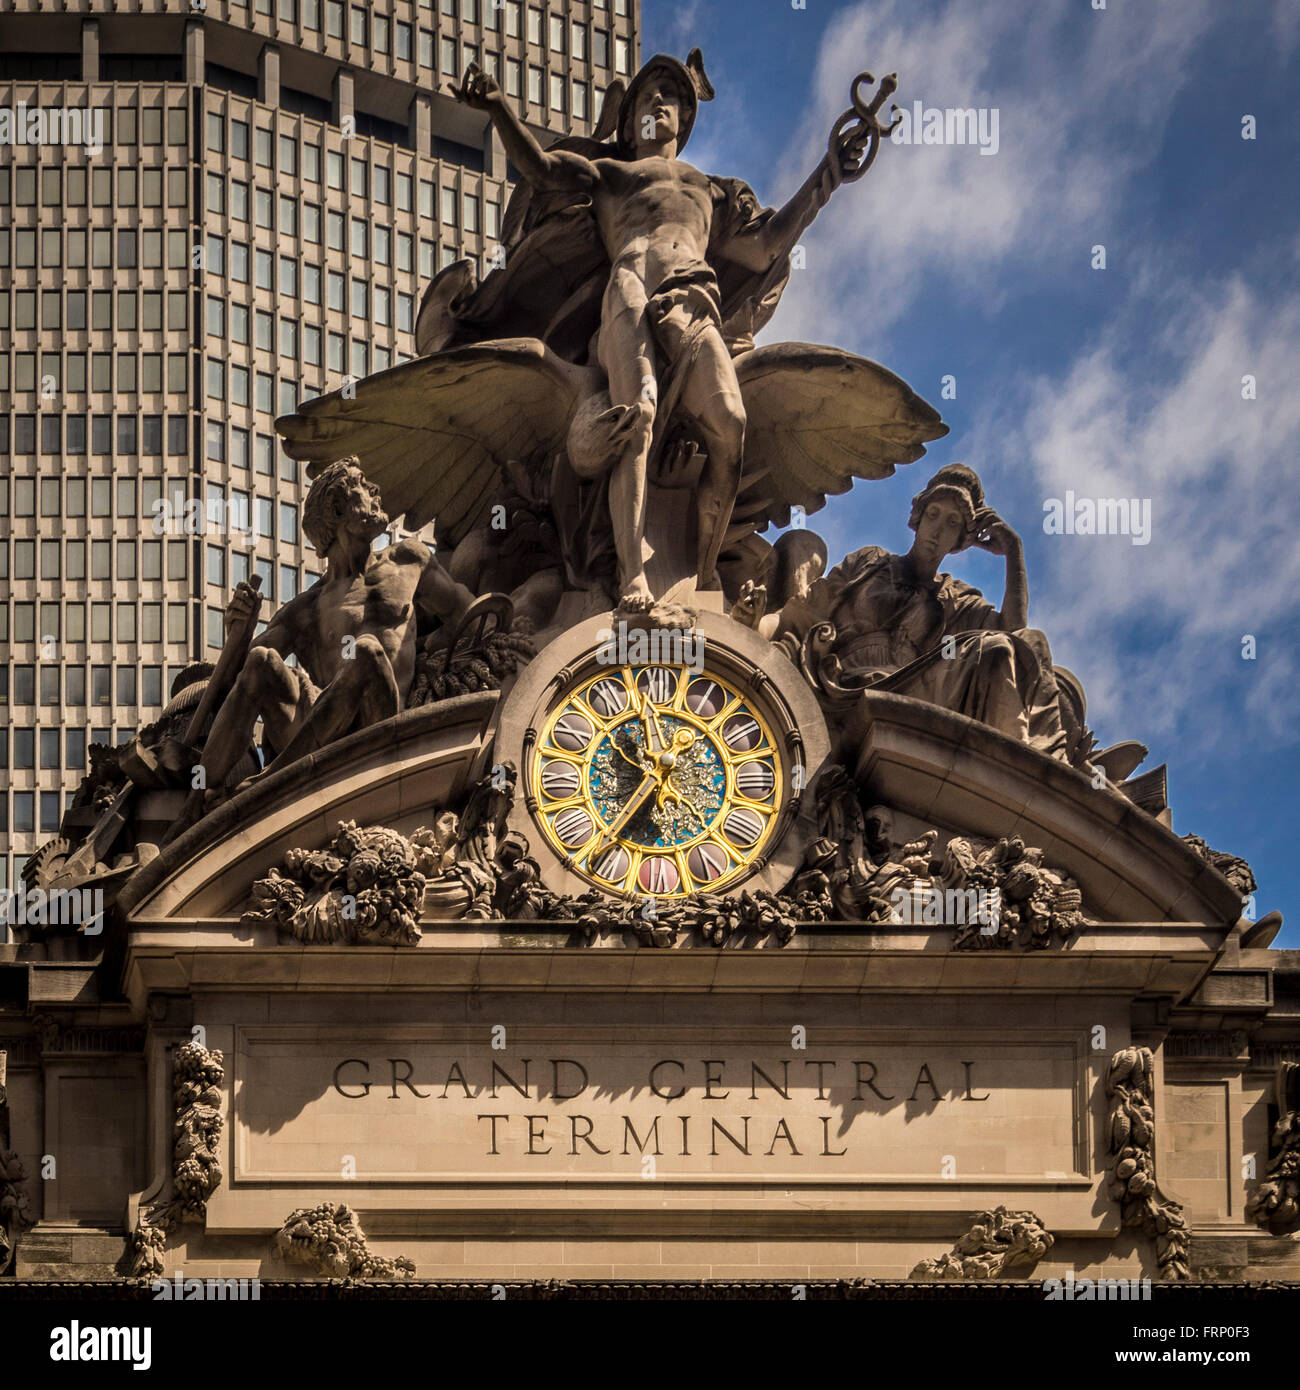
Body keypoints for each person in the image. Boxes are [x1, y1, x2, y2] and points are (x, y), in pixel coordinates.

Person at [451, 51, 849, 609]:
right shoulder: (613, 175)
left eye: (673, 99)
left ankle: (703, 575)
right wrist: (497, 108)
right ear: (630, 113)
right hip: (629, 290)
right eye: (649, 95)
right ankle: (633, 577)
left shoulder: (709, 190)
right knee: (637, 414)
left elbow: (762, 248)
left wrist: (827, 174)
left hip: (693, 299)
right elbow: (542, 169)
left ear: (685, 120)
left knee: (730, 423)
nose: (660, 104)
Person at [182, 459, 476, 816]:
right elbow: (235, 682)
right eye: (363, 486)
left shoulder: (408, 560)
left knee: (366, 651)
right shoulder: (304, 610)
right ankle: (196, 804)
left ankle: (271, 781)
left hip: (380, 728)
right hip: (319, 730)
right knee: (261, 661)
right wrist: (240, 634)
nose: (376, 492)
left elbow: (472, 617)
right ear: (338, 508)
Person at [756, 464, 1088, 765]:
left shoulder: (954, 598)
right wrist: (751, 624)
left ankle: (1020, 771)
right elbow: (802, 613)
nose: (937, 530)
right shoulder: (870, 562)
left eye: (952, 523)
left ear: (961, 540)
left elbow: (1013, 629)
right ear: (918, 517)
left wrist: (1013, 552)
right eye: (933, 514)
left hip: (911, 690)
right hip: (842, 678)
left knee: (1008, 647)